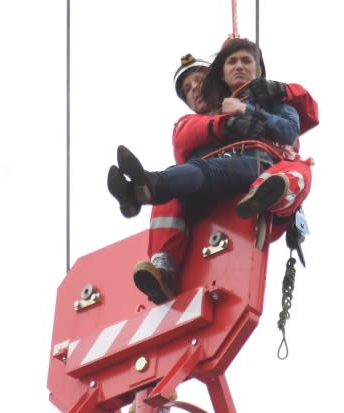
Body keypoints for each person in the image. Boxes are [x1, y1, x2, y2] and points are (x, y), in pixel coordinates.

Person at [109, 38, 317, 304]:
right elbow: (185, 140)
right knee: (183, 183)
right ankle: (158, 251)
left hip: (261, 173)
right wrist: (229, 122)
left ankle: (269, 191)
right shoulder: (197, 121)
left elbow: (295, 121)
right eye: (187, 89)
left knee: (297, 170)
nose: (194, 90)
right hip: (220, 181)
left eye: (199, 81)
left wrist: (254, 105)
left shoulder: (269, 101)